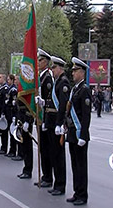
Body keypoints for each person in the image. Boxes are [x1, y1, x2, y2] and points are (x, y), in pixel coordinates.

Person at [65, 57, 91, 206]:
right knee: (75, 164)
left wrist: (83, 135)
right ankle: (77, 191)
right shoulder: (75, 89)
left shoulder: (85, 90)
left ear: (81, 72)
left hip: (80, 133)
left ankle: (83, 195)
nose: (73, 74)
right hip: (72, 132)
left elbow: (86, 115)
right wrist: (65, 125)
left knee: (81, 165)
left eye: (75, 71)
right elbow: (69, 111)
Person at [45, 56, 70, 196]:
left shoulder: (63, 83)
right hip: (51, 122)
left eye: (54, 68)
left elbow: (62, 105)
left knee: (58, 156)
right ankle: (56, 183)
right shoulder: (57, 82)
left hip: (57, 123)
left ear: (60, 68)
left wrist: (60, 123)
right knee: (53, 154)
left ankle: (60, 185)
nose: (52, 70)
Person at [34, 48, 54, 187]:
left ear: (45, 62)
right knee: (42, 149)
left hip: (46, 117)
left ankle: (48, 177)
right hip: (40, 117)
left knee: (47, 149)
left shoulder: (48, 77)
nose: (38, 62)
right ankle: (45, 175)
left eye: (40, 60)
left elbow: (49, 99)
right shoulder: (41, 76)